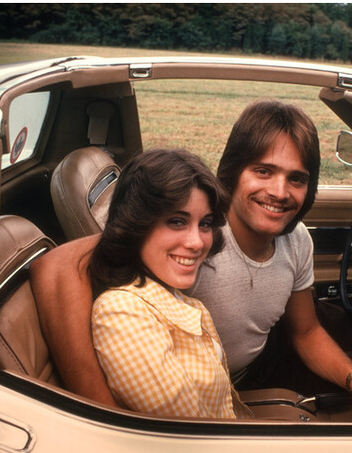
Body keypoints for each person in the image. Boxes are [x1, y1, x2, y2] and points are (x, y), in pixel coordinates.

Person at [30, 100, 352, 424]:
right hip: (237, 377)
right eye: (263, 171)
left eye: (297, 179)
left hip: (274, 340)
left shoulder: (297, 240)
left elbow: (305, 332)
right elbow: (55, 266)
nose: (279, 192)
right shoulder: (197, 235)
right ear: (233, 172)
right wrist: (106, 417)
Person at [88, 148, 247, 419]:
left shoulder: (173, 296)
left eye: (205, 224)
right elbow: (190, 432)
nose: (197, 242)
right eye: (177, 222)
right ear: (136, 224)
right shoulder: (121, 311)